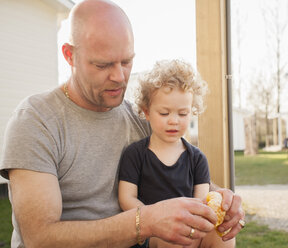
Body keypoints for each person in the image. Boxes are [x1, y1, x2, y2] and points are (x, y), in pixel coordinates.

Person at [0, 0, 245, 247]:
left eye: (126, 62)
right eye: (103, 64)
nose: (119, 77)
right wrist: (145, 221)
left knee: (222, 237)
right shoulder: (35, 120)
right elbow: (39, 238)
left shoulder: (139, 118)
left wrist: (221, 198)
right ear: (69, 55)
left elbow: (186, 168)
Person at [118, 59, 235, 248]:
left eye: (182, 114)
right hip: (151, 232)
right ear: (147, 112)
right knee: (172, 240)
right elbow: (126, 198)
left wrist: (193, 225)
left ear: (192, 112)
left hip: (189, 227)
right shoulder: (135, 154)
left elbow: (201, 202)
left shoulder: (197, 159)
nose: (174, 121)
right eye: (164, 113)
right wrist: (155, 218)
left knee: (221, 235)